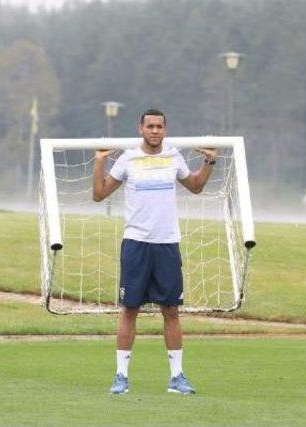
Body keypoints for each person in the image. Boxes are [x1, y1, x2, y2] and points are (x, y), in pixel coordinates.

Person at [92, 108, 217, 395]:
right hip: (136, 243)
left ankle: (177, 378)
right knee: (130, 310)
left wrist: (209, 160)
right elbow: (99, 194)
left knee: (171, 310)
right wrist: (99, 161)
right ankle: (121, 377)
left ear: (165, 129)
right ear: (140, 129)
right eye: (150, 126)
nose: (155, 131)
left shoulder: (174, 156)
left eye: (159, 126)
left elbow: (196, 186)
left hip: (167, 244)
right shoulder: (127, 158)